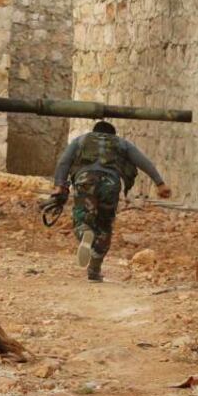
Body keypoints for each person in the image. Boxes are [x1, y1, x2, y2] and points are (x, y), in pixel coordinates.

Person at [52, 121, 172, 282]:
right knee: (104, 226)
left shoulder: (81, 140)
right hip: (110, 185)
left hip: (85, 181)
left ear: (94, 131)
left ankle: (85, 233)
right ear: (113, 134)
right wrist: (160, 183)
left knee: (81, 218)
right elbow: (143, 162)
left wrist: (59, 185)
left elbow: (64, 162)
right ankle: (94, 270)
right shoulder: (122, 143)